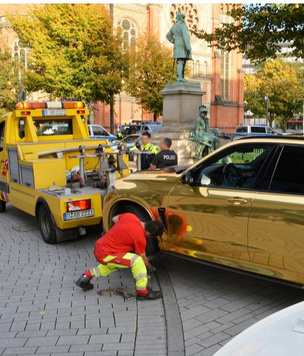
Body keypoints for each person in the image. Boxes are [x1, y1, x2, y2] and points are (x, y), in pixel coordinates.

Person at [75, 213, 163, 300]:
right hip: (105, 254)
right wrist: (150, 267)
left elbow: (114, 218)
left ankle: (85, 277)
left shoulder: (131, 216)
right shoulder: (140, 238)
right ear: (148, 233)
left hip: (100, 247)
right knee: (137, 260)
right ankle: (142, 293)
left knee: (113, 265)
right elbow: (143, 257)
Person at [166, 12, 192, 82]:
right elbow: (185, 37)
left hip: (177, 46)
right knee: (181, 61)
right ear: (180, 18)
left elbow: (168, 36)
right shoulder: (182, 26)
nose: (184, 19)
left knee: (180, 61)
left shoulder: (174, 26)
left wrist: (175, 41)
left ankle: (181, 77)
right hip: (183, 45)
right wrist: (188, 47)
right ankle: (180, 77)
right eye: (183, 17)